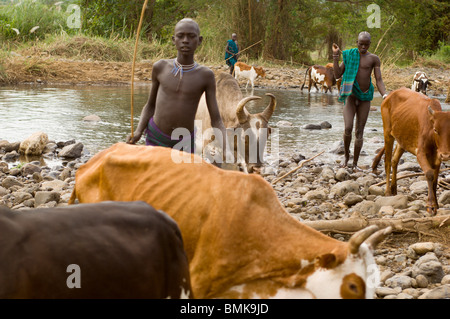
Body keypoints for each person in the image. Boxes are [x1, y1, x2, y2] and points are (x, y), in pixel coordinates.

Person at [127, 18, 227, 156]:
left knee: (183, 177)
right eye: (180, 36)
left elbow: (216, 119)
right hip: (156, 136)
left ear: (199, 40)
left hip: (184, 141)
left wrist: (225, 145)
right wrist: (138, 131)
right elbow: (150, 105)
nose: (185, 40)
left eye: (191, 36)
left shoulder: (206, 75)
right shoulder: (160, 67)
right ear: (174, 40)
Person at [332, 31, 388, 171]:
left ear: (369, 44)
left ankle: (355, 163)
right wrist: (335, 56)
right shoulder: (350, 55)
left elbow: (379, 79)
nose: (363, 47)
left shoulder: (374, 59)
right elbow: (338, 74)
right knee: (348, 128)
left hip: (365, 98)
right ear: (357, 43)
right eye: (360, 44)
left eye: (366, 44)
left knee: (359, 132)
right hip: (350, 96)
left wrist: (385, 95)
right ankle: (346, 157)